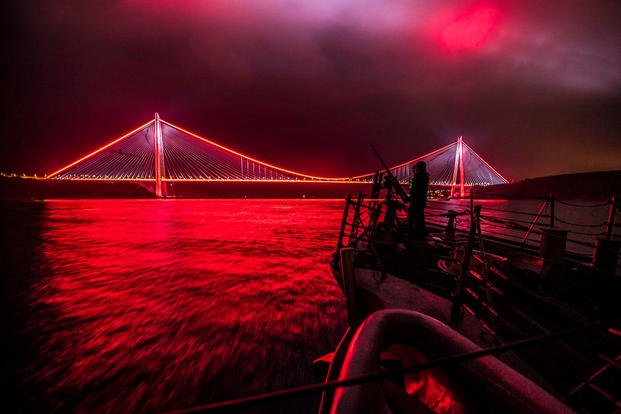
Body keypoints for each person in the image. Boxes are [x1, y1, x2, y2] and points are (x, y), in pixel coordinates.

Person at [408, 161, 429, 239]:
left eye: (416, 167)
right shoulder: (425, 176)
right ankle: (420, 233)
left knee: (414, 217)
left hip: (416, 201)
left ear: (419, 168)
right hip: (421, 201)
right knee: (420, 217)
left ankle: (416, 235)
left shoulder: (418, 177)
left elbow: (414, 189)